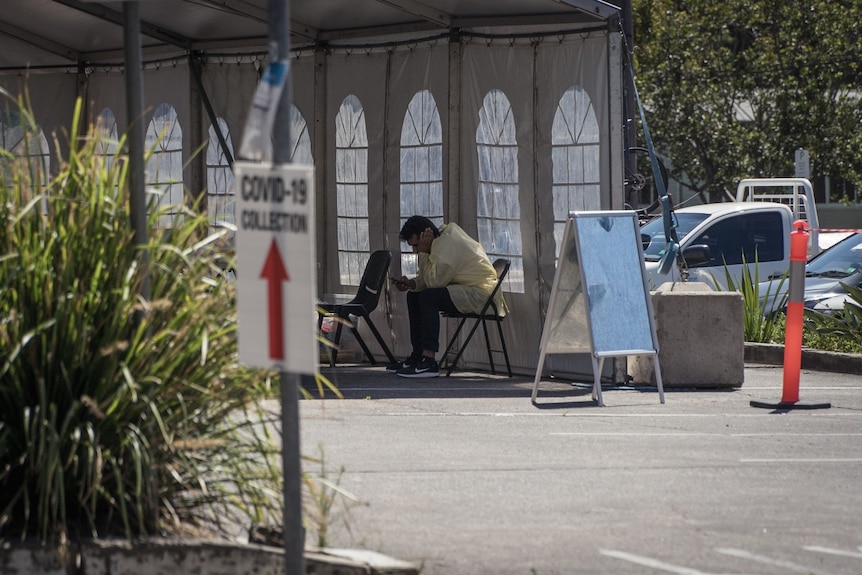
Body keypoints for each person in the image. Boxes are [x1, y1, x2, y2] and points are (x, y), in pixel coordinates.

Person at [387, 215, 507, 378]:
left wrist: (422, 254)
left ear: (425, 237)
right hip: (467, 289)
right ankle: (418, 355)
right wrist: (412, 284)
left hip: (481, 295)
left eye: (416, 245)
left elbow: (435, 282)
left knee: (428, 297)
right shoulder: (439, 242)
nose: (415, 251)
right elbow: (429, 278)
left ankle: (429, 360)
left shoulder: (447, 245)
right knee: (414, 295)